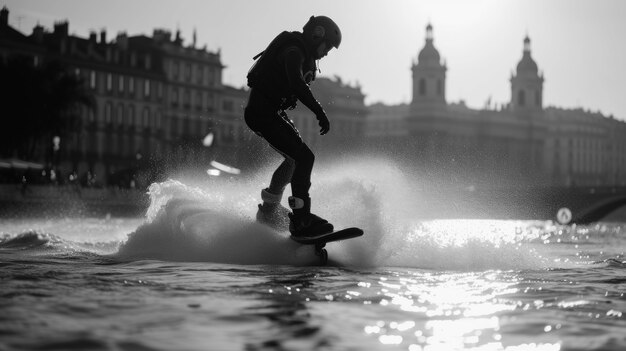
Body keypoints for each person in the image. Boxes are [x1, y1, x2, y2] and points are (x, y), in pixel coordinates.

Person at [244, 15, 341, 238]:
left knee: (294, 161)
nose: (326, 53)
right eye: (327, 47)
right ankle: (301, 220)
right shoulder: (294, 51)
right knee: (305, 158)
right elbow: (296, 82)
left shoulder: (301, 51)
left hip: (269, 112)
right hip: (262, 113)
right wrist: (319, 111)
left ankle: (269, 210)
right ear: (317, 35)